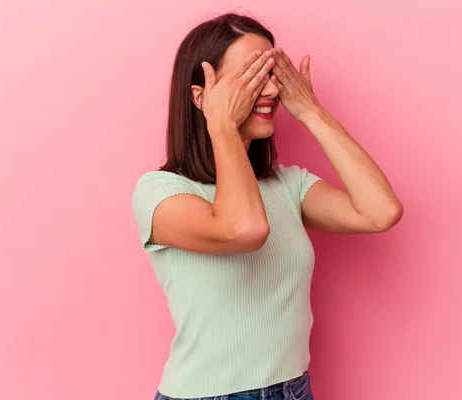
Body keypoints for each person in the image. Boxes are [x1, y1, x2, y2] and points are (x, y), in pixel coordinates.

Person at [131, 12, 403, 400]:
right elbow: (245, 230)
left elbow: (381, 212)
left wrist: (311, 111)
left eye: (272, 73)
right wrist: (221, 124)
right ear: (200, 96)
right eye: (251, 76)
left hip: (294, 388)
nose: (272, 90)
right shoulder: (159, 192)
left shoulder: (286, 185)